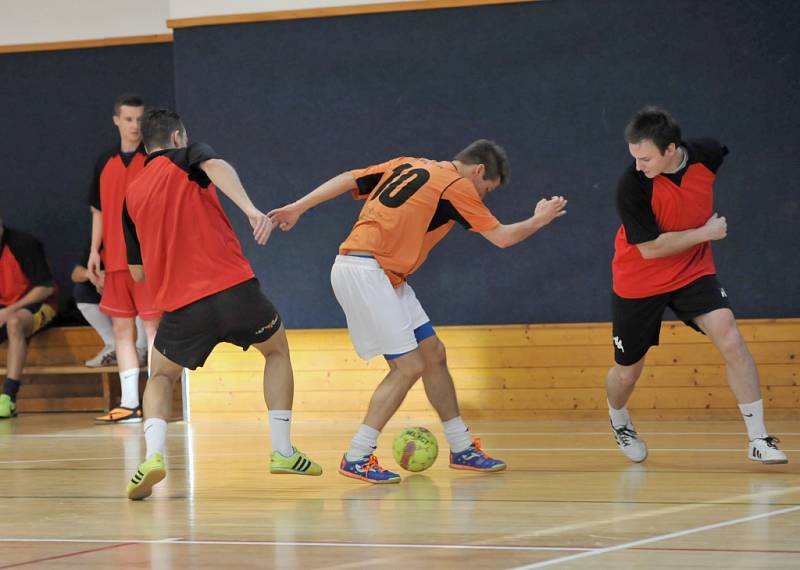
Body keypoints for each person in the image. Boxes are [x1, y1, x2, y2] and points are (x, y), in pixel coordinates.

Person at [269, 140, 567, 483]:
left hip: (383, 275)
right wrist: (539, 220)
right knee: (408, 367)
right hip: (368, 272)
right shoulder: (457, 185)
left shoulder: (408, 163)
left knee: (433, 354)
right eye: (487, 189)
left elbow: (349, 179)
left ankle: (461, 447)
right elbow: (501, 238)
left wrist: (299, 206)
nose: (483, 197)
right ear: (479, 170)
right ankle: (358, 455)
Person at [122, 108, 321, 500]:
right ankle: (282, 450)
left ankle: (153, 457)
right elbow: (216, 165)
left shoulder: (132, 193)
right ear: (178, 136)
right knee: (276, 350)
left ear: (145, 145)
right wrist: (249, 210)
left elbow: (137, 273)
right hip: (234, 290)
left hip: (181, 306)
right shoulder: (189, 156)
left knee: (160, 376)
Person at [606, 106, 787, 464]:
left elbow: (714, 158)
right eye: (634, 157)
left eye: (645, 158)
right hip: (640, 279)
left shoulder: (706, 153)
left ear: (671, 149)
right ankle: (619, 419)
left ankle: (758, 438)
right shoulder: (632, 185)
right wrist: (705, 233)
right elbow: (650, 249)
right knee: (627, 373)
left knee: (730, 337)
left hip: (692, 269)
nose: (638, 165)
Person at [87, 94, 160, 424]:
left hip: (146, 261)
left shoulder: (154, 159)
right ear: (116, 120)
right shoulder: (105, 161)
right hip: (114, 261)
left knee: (154, 328)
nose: (135, 125)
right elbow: (98, 211)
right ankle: (131, 403)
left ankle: (156, 402)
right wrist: (93, 251)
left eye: (140, 119)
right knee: (121, 331)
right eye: (128, 119)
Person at [0, 217, 58, 418]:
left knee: (14, 322)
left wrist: (8, 311)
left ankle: (8, 397)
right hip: (4, 307)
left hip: (37, 303)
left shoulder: (23, 244)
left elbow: (46, 287)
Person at [71, 247, 147, 368]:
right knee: (82, 290)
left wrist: (112, 279)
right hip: (114, 292)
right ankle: (113, 347)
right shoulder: (99, 238)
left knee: (140, 286)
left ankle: (142, 348)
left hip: (137, 284)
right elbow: (75, 274)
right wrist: (93, 275)